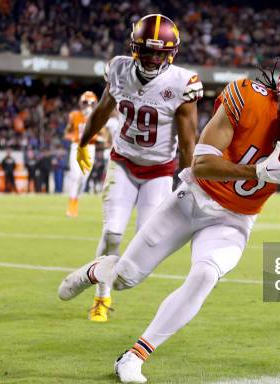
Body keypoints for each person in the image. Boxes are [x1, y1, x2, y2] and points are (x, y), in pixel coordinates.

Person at [59, 45, 280, 382]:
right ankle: (95, 272)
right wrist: (258, 173)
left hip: (235, 218)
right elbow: (201, 164)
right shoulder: (247, 96)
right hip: (193, 197)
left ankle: (134, 356)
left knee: (206, 275)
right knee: (125, 278)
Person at [75, 13, 203, 322]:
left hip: (159, 170)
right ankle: (101, 297)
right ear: (135, 47)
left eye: (160, 52)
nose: (152, 57)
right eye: (147, 50)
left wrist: (189, 183)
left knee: (145, 243)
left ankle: (91, 273)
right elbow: (104, 110)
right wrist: (84, 141)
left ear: (171, 53)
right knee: (113, 231)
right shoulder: (119, 69)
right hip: (123, 162)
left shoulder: (182, 83)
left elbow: (188, 142)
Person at [64, 91, 114, 216]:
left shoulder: (97, 116)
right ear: (81, 103)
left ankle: (76, 200)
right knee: (76, 175)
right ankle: (72, 206)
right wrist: (74, 136)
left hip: (90, 148)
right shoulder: (74, 115)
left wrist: (99, 138)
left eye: (91, 103)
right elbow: (67, 132)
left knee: (84, 178)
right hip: (77, 146)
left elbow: (105, 135)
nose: (88, 105)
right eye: (85, 102)